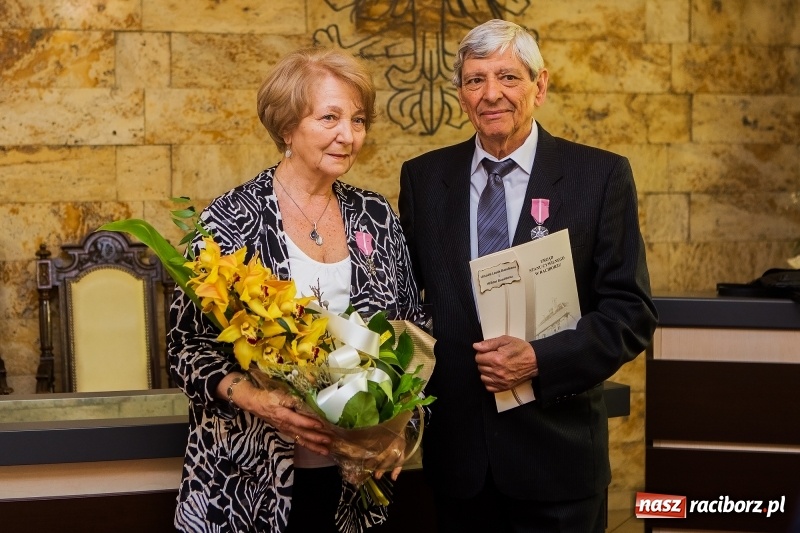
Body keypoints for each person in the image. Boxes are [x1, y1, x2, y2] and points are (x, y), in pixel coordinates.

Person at [398, 19, 658, 533]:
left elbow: (631, 313)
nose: (490, 94)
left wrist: (540, 359)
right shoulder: (423, 178)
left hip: (558, 464)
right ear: (461, 94)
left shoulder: (600, 177)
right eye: (475, 80)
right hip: (458, 467)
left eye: (508, 77)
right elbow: (410, 303)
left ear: (540, 85)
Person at [168, 47, 420, 533]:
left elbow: (411, 330)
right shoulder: (229, 220)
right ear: (287, 128)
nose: (348, 136)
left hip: (353, 484)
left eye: (358, 120)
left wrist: (397, 428)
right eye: (330, 117)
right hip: (247, 477)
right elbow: (184, 348)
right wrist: (255, 399)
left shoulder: (377, 216)